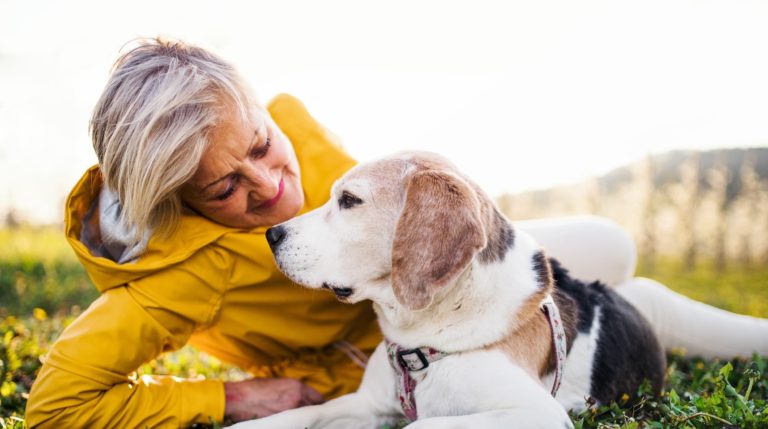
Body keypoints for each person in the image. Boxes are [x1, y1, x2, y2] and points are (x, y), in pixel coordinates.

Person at [24, 38, 768, 428]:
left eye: (259, 144)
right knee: (611, 282)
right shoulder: (172, 278)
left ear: (257, 109)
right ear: (180, 201)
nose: (273, 186)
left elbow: (390, 205)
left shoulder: (293, 119)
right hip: (391, 352)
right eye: (227, 188)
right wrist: (232, 401)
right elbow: (55, 405)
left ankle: (726, 330)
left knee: (614, 253)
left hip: (437, 297)